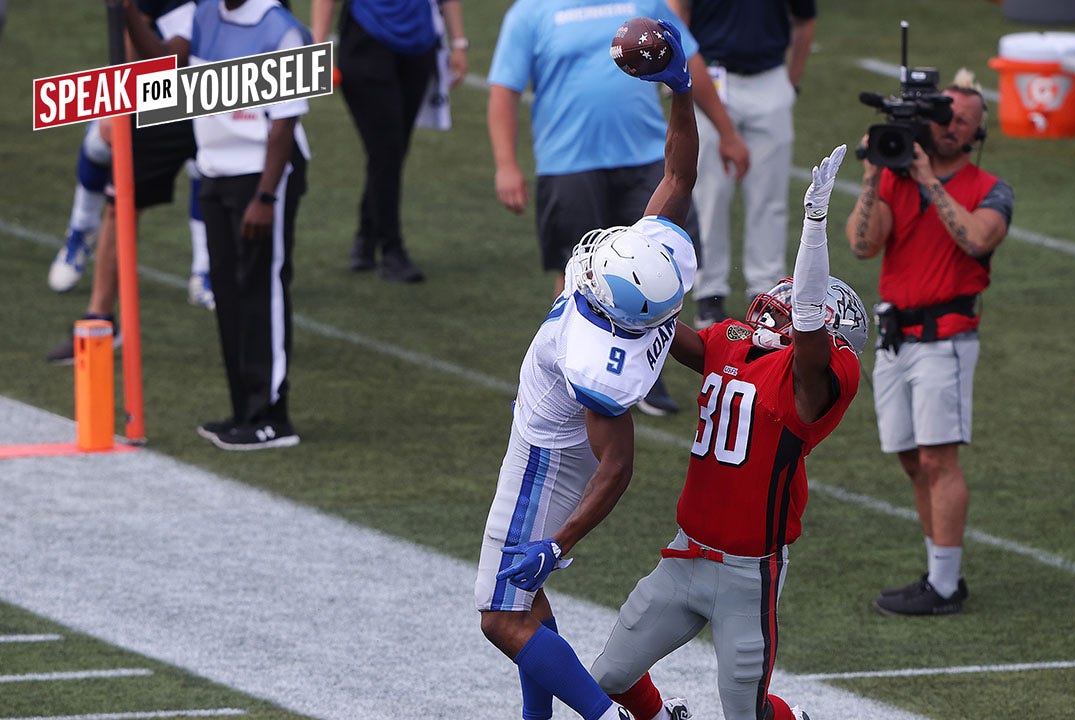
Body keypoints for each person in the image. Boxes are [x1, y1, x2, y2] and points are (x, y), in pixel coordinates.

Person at [590, 145, 867, 720]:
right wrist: (616, 280)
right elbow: (661, 325)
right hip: (684, 555)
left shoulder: (818, 381)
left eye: (799, 306)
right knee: (609, 677)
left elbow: (810, 319)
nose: (782, 304)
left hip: (748, 572)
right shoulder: (735, 343)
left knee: (745, 713)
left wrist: (814, 225)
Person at [474, 23, 698, 720]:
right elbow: (679, 174)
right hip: (554, 449)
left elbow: (617, 467)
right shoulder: (643, 291)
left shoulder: (594, 362)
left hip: (547, 457)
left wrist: (557, 541)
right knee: (527, 605)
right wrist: (680, 89)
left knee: (499, 615)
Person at [487, 0, 749, 417]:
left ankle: (646, 374)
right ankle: (562, 373)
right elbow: (505, 90)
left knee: (657, 266)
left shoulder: (644, 0)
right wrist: (506, 164)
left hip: (644, 156)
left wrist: (727, 131)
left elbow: (691, 62)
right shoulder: (530, 11)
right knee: (574, 273)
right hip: (568, 161)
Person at [844, 70, 1013, 616]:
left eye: (962, 121)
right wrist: (873, 175)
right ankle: (938, 573)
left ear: (975, 135)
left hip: (947, 339)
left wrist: (929, 181)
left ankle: (944, 586)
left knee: (939, 459)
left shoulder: (990, 190)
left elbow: (976, 238)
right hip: (896, 339)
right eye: (944, 115)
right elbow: (862, 246)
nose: (949, 126)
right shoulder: (893, 180)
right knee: (912, 459)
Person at [122, 0, 313, 450]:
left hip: (263, 175)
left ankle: (272, 418)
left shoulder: (279, 29)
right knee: (228, 291)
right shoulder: (205, 13)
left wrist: (265, 197)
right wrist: (127, 10)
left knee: (261, 289)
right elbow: (166, 67)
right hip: (215, 171)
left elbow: (286, 123)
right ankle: (243, 410)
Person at [45, 0, 213, 366]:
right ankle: (99, 318)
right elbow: (158, 51)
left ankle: (209, 270)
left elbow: (177, 54)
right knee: (121, 197)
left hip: (230, 91)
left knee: (233, 182)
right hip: (174, 93)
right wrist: (118, 94)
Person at [665, 0, 815, 330]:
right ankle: (709, 292)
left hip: (770, 77)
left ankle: (768, 291)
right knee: (709, 192)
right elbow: (677, 10)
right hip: (713, 77)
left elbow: (805, 19)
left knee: (769, 195)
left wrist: (789, 83)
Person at [310, 0, 468, 283]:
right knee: (386, 150)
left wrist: (459, 42)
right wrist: (317, 47)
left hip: (419, 46)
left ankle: (366, 237)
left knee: (393, 150)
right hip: (366, 45)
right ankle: (391, 250)